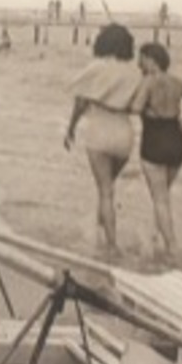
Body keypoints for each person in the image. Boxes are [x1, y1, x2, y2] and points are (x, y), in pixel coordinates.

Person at [64, 23, 142, 252]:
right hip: (125, 132)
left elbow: (80, 101)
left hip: (100, 129)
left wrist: (70, 129)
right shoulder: (136, 71)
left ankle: (111, 245)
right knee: (108, 188)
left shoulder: (96, 67)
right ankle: (98, 233)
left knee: (105, 190)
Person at [130, 42, 182, 257]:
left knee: (160, 199)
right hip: (176, 141)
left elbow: (136, 108)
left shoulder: (148, 82)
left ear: (151, 60)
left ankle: (172, 247)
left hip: (154, 141)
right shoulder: (178, 82)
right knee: (162, 196)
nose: (138, 62)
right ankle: (155, 237)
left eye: (141, 58)